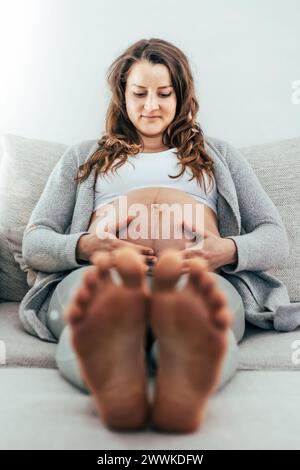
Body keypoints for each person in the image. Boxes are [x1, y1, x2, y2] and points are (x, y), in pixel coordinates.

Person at [20, 38, 293, 434]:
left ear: (181, 96)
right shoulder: (83, 156)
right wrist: (87, 246)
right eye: (139, 93)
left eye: (164, 93)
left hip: (197, 277)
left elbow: (274, 236)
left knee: (201, 321)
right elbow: (35, 240)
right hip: (102, 276)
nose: (151, 106)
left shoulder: (219, 156)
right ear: (122, 94)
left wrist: (227, 250)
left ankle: (180, 382)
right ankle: (117, 381)